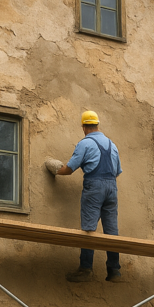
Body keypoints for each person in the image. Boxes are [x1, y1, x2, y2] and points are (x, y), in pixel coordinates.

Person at [45, 110, 124, 282]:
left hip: (94, 187)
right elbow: (117, 172)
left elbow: (69, 169)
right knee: (111, 232)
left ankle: (86, 269)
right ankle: (114, 271)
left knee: (89, 229)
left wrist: (55, 168)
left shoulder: (85, 144)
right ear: (97, 124)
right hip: (112, 188)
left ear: (84, 127)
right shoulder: (113, 145)